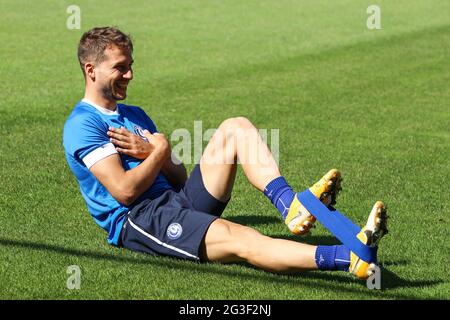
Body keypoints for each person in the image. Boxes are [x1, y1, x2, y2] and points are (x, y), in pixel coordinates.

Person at [63, 26, 388, 280]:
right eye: (121, 68)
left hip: (177, 199)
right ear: (91, 70)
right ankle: (350, 258)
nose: (130, 75)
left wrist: (157, 153)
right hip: (143, 218)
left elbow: (178, 176)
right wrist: (158, 149)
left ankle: (290, 205)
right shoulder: (83, 124)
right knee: (241, 238)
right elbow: (124, 191)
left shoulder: (134, 113)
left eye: (131, 66)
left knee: (236, 126)